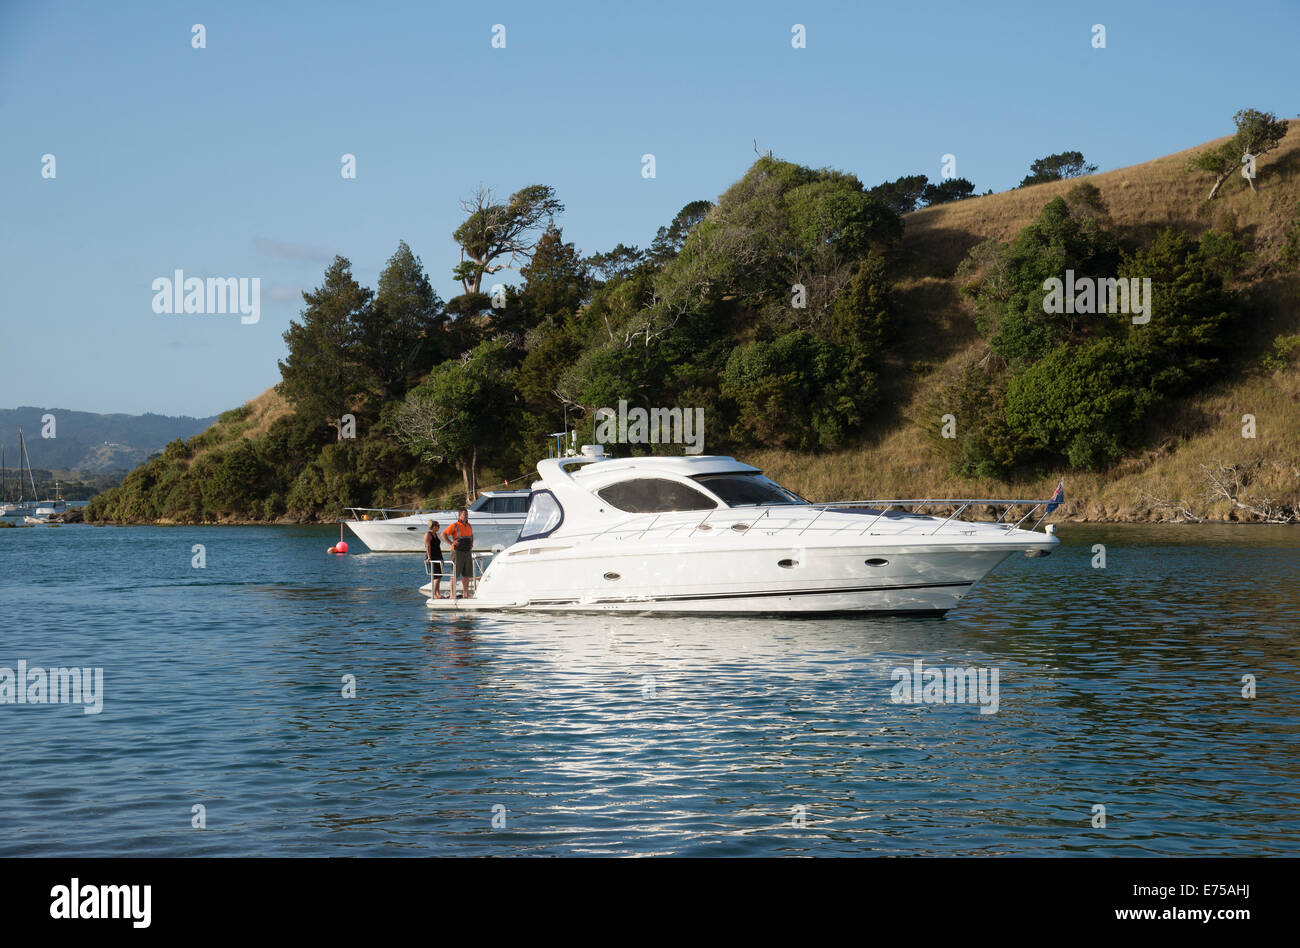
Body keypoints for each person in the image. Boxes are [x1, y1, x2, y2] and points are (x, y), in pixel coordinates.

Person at [441, 507, 474, 599]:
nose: (466, 516)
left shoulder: (469, 525)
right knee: (454, 574)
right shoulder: (454, 525)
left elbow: (471, 535)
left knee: (466, 574)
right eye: (464, 514)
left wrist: (471, 544)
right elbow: (443, 534)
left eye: (467, 514)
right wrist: (451, 543)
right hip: (457, 552)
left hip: (467, 551)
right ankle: (452, 594)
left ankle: (465, 594)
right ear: (460, 515)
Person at [424, 520, 445, 598]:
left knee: (440, 575)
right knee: (436, 576)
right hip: (433, 557)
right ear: (434, 527)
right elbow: (428, 546)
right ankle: (435, 594)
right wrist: (429, 557)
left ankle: (437, 593)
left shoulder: (435, 534)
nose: (439, 527)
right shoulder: (428, 534)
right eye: (438, 526)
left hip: (438, 556)